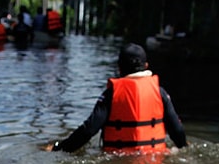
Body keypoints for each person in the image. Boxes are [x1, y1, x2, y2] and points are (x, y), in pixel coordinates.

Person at [46, 43, 187, 153]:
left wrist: (58, 147)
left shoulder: (111, 94)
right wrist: (184, 147)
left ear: (119, 68)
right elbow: (177, 130)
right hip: (154, 158)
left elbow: (88, 130)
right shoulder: (160, 93)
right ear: (146, 66)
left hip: (118, 158)